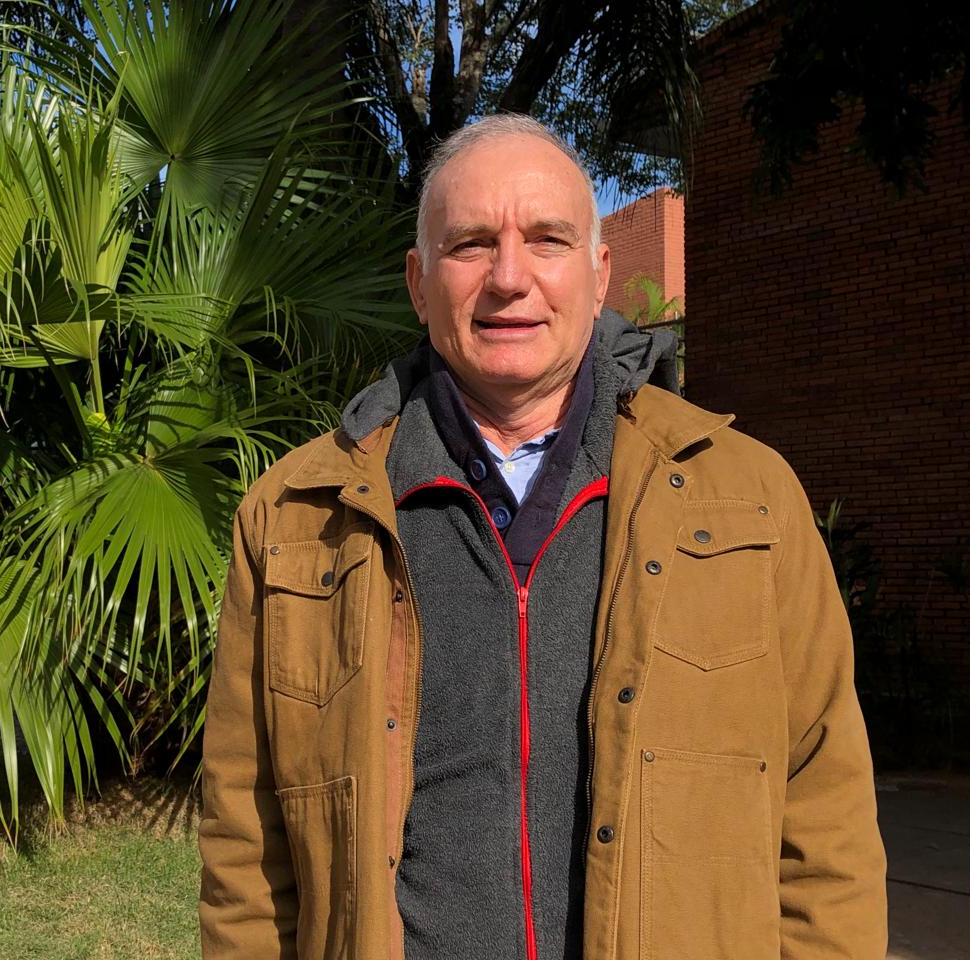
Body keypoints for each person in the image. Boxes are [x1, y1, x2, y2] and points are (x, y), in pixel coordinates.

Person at [198, 114, 888, 960]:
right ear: (419, 283)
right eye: (471, 244)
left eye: (548, 240)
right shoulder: (297, 516)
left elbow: (826, 816)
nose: (509, 278)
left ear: (599, 276)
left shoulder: (750, 499)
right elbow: (245, 843)